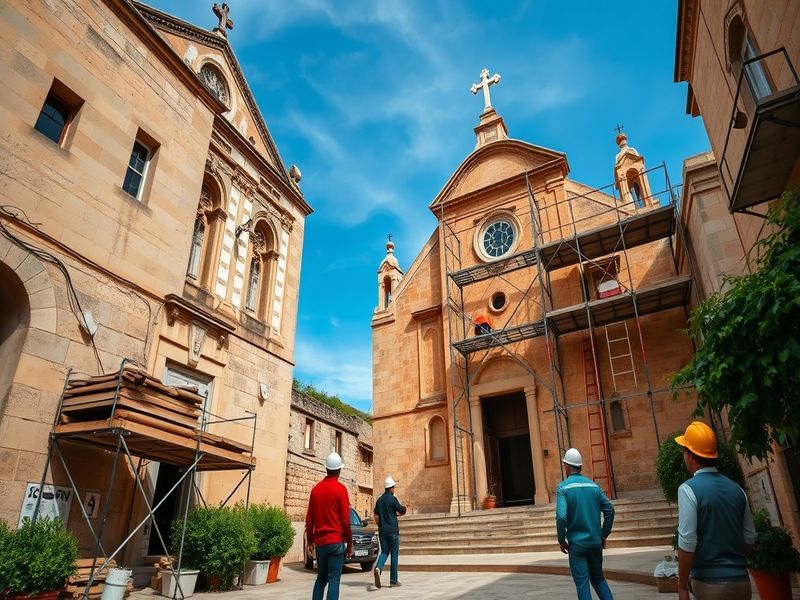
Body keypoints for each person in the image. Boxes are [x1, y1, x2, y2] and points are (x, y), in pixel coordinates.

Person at [675, 421, 755, 600]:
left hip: (709, 583)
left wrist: (682, 587)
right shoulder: (737, 489)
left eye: (684, 451)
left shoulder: (688, 490)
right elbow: (750, 536)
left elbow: (687, 542)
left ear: (690, 455)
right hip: (742, 583)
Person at [556, 447, 615, 600]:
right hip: (595, 543)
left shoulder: (563, 488)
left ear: (567, 466)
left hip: (577, 545)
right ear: (580, 466)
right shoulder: (594, 486)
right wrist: (603, 534)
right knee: (599, 579)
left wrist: (561, 540)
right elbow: (610, 510)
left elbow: (561, 517)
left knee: (582, 584)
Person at [305, 452, 353, 600]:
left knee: (321, 579)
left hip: (320, 544)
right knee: (334, 580)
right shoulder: (341, 490)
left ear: (326, 469)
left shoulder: (316, 490)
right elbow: (345, 520)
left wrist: (310, 541)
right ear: (339, 470)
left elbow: (309, 518)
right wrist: (349, 544)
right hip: (336, 542)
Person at [372, 475, 407, 589]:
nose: (394, 489)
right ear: (390, 488)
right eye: (393, 487)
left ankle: (379, 566)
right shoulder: (393, 498)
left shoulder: (380, 500)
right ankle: (393, 580)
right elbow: (401, 510)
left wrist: (380, 525)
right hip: (393, 531)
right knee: (394, 554)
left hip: (383, 531)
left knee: (384, 552)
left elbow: (376, 515)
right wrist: (405, 507)